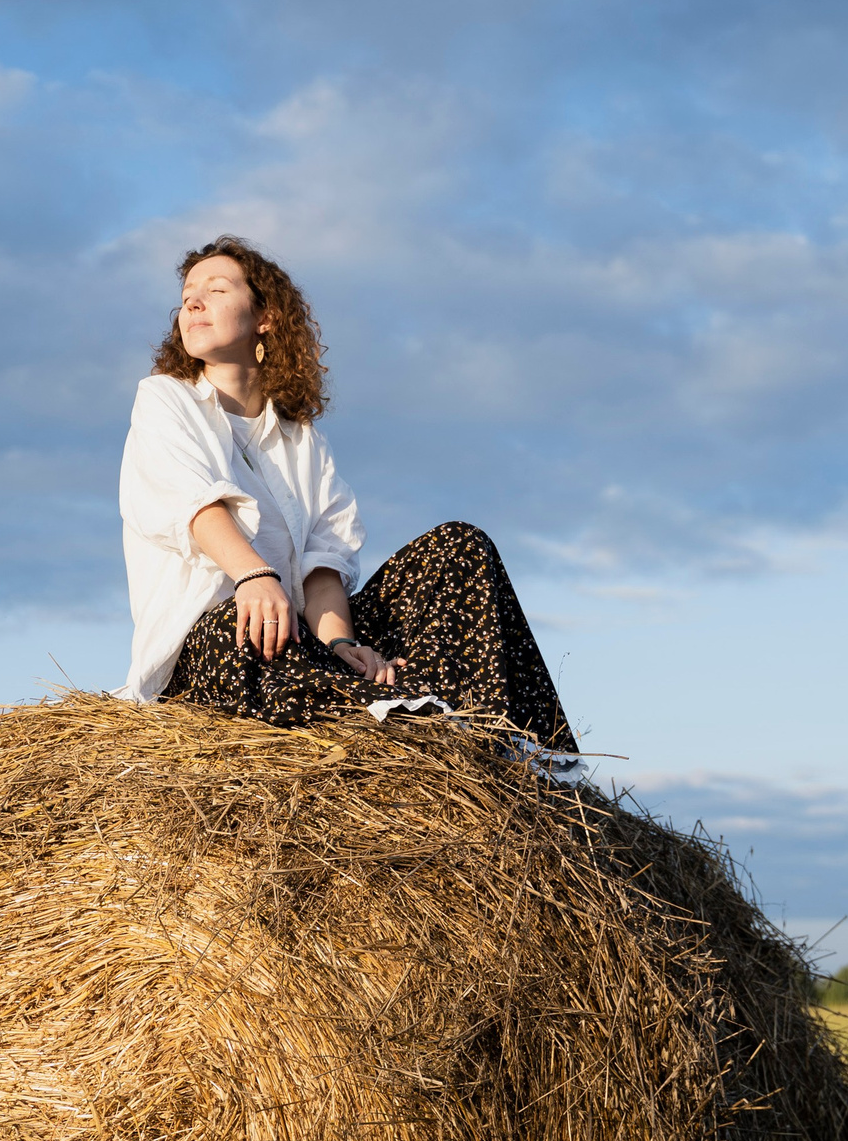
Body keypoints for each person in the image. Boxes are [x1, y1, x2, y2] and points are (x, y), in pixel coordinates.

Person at [117, 235, 577, 753]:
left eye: (216, 290)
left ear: (265, 317)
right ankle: (403, 720)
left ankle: (495, 744)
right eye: (186, 295)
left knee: (459, 548)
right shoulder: (164, 399)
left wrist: (341, 641)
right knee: (248, 629)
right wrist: (254, 574)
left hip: (300, 639)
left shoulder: (300, 437)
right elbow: (196, 505)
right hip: (217, 648)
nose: (193, 302)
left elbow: (323, 565)